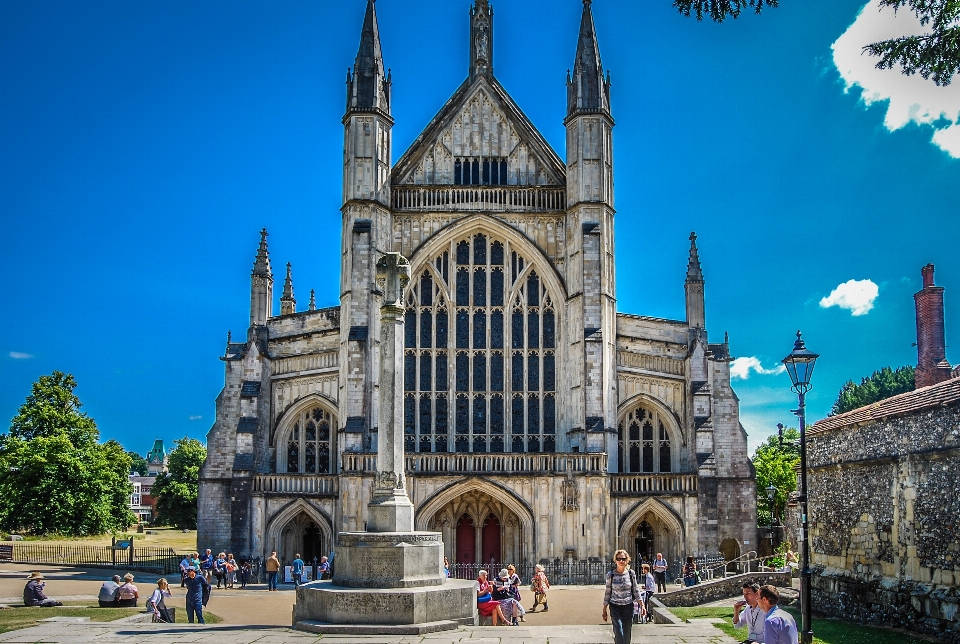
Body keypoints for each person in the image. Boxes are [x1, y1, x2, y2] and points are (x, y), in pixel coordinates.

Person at [602, 549, 641, 644]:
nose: (621, 561)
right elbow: (607, 592)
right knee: (619, 632)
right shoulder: (610, 575)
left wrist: (642, 605)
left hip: (628, 606)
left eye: (623, 559)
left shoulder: (631, 574)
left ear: (627, 560)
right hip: (615, 606)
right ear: (615, 560)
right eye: (619, 559)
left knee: (627, 635)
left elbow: (635, 589)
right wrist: (604, 609)